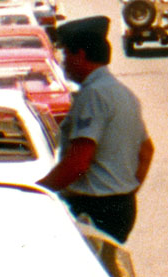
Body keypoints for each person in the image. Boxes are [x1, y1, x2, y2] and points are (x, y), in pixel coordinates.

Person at [38, 15, 154, 243]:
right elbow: (146, 152)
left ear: (81, 55)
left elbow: (78, 163)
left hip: (93, 209)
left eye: (66, 54)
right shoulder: (123, 93)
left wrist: (39, 190)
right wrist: (124, 191)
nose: (63, 62)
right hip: (121, 206)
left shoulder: (93, 96)